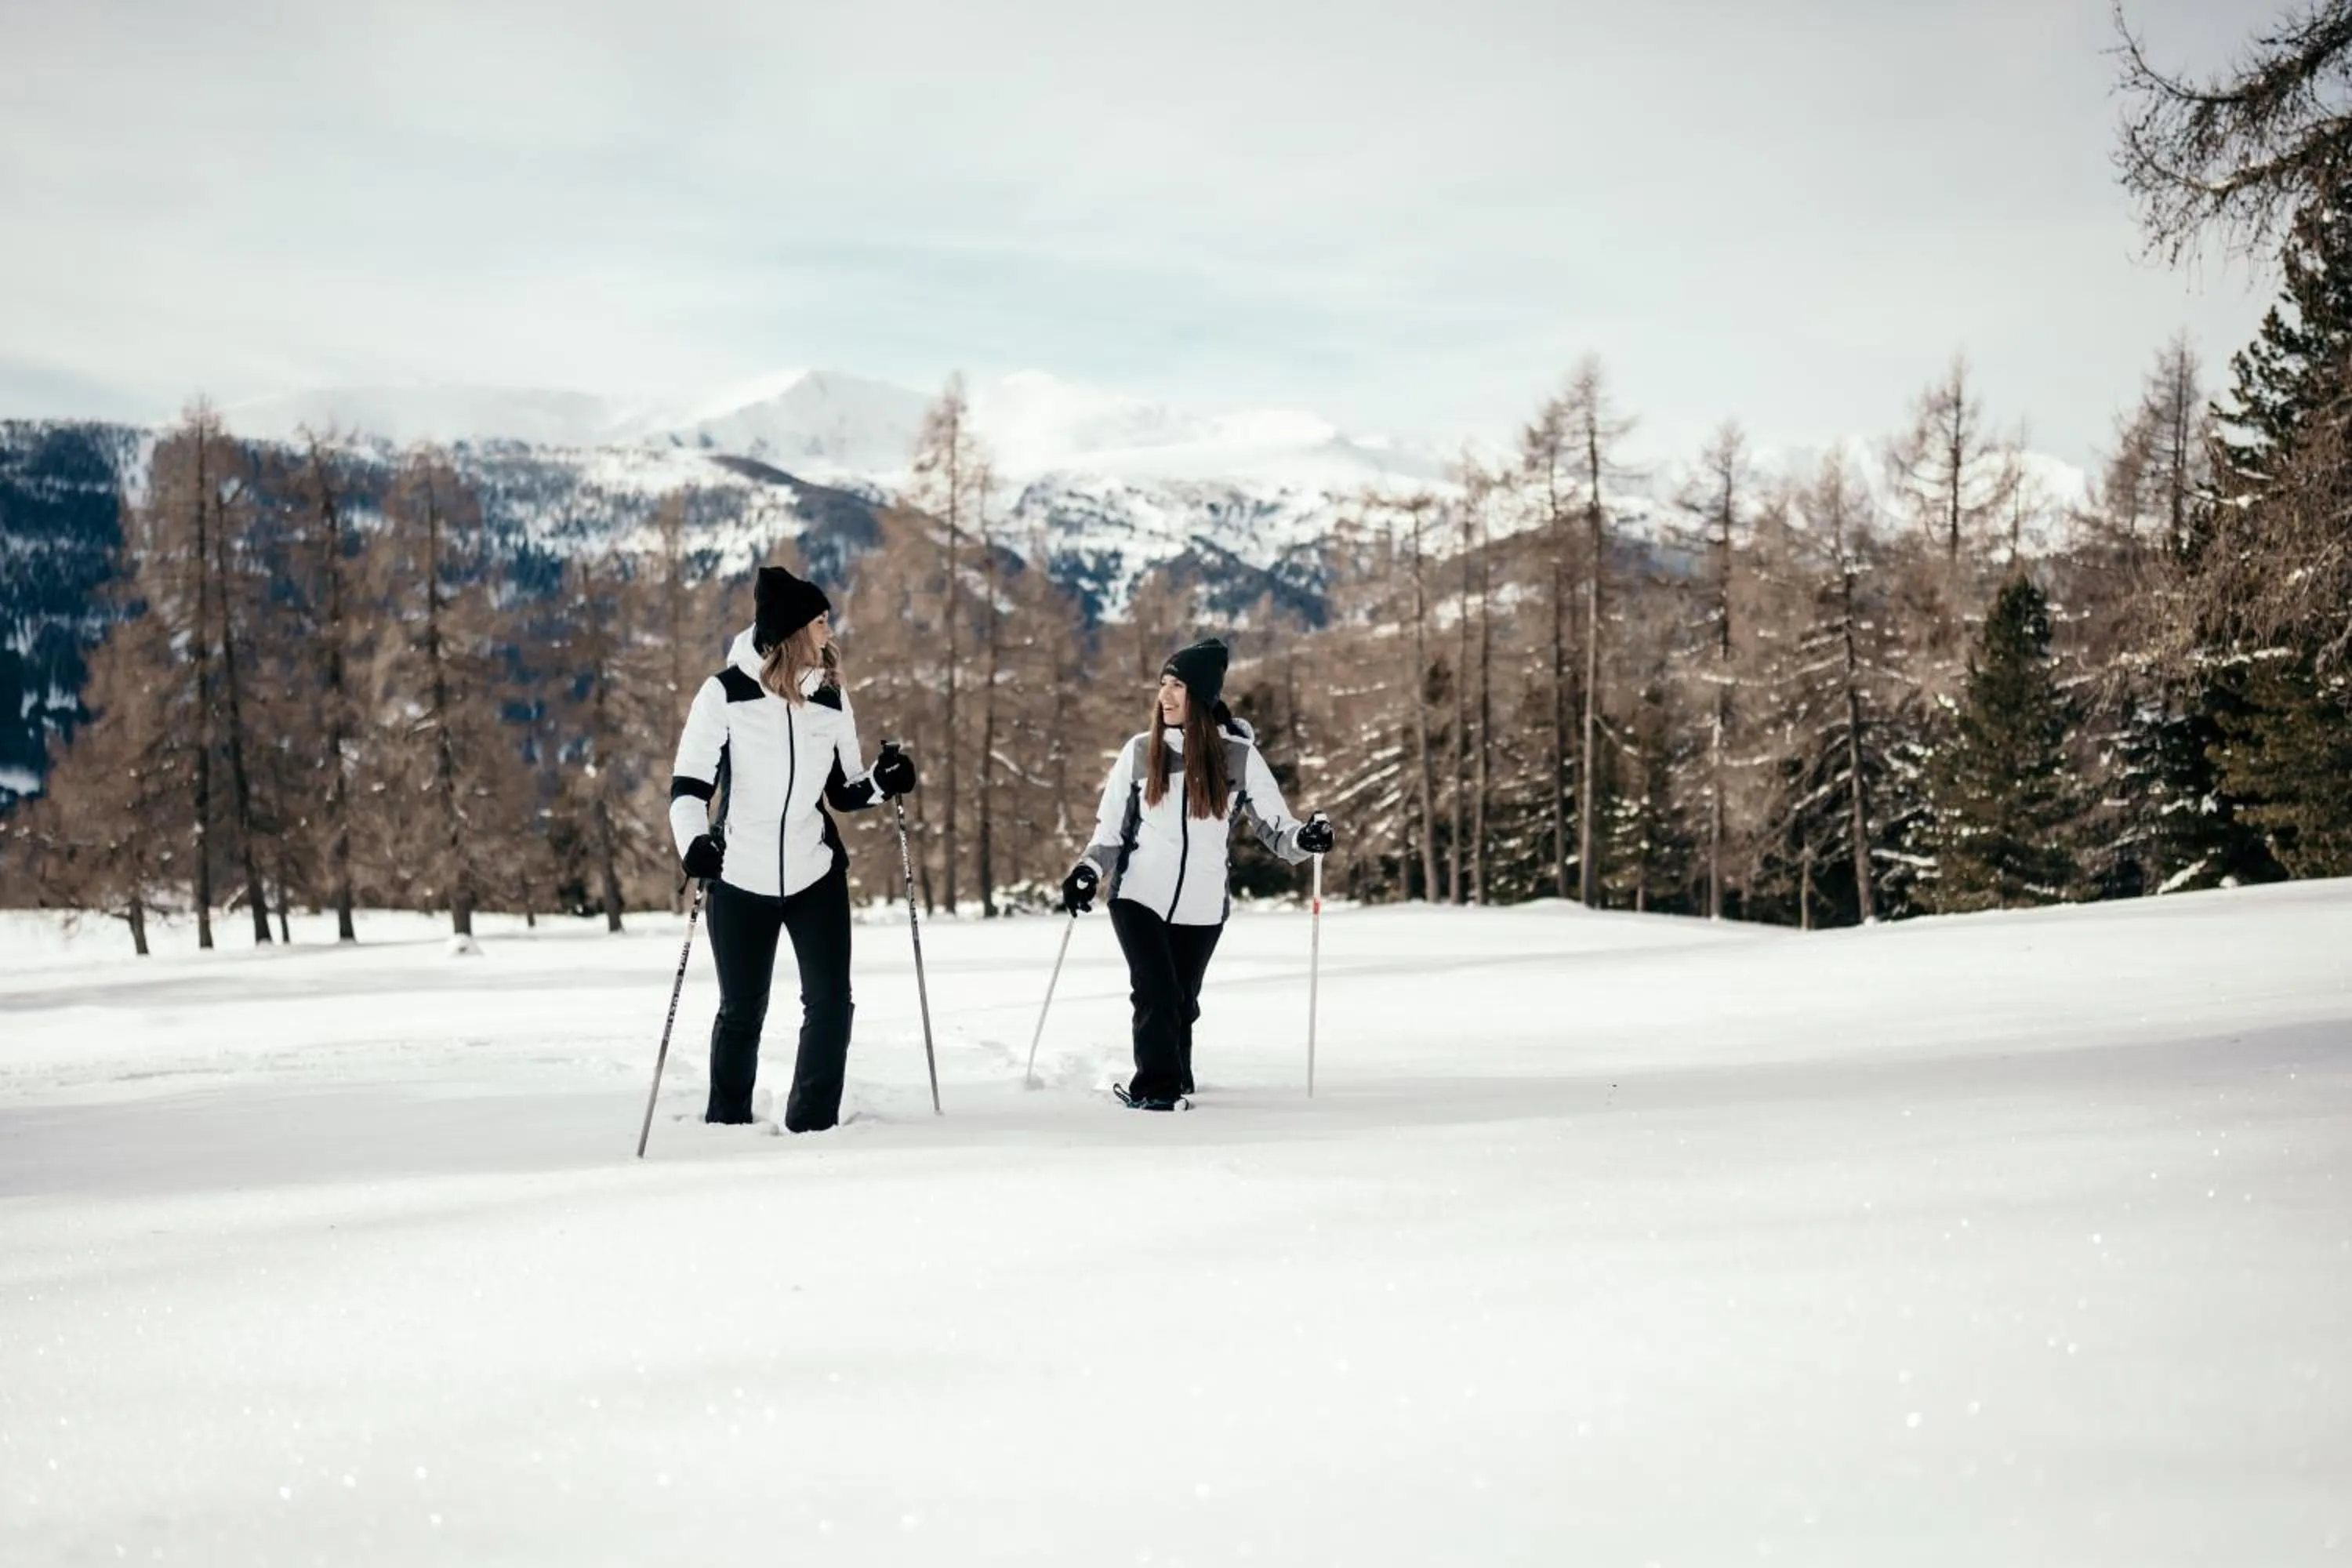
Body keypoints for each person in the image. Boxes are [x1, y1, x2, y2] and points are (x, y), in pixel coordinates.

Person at [668, 565, 916, 1131]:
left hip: (814, 873)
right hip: (739, 875)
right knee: (742, 1012)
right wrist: (694, 844)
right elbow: (688, 788)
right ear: (792, 630)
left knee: (831, 1005)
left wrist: (885, 779)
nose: (831, 631)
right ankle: (727, 1124)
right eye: (822, 621)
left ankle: (814, 1124)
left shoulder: (830, 697)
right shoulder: (724, 694)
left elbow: (845, 789)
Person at [1061, 637, 1335, 1110]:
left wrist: (1304, 840)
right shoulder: (1139, 752)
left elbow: (1277, 828)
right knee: (1156, 992)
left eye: (1178, 686)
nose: (1165, 696)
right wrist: (1087, 871)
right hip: (1138, 894)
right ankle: (1156, 1090)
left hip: (1203, 906)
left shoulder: (1238, 758)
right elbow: (1109, 833)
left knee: (1182, 1004)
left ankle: (1177, 1077)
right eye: (1163, 684)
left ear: (1203, 697)